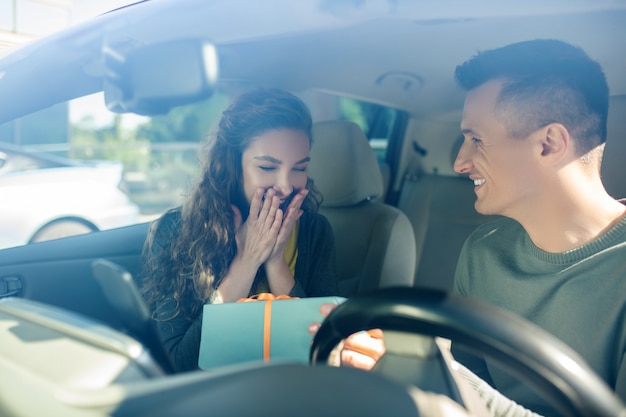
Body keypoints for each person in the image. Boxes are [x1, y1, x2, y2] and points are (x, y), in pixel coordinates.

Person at [450, 39, 626, 416]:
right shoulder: (482, 252)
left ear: (548, 144)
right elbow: (462, 386)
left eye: (477, 140)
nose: (460, 163)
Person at [142, 88, 339, 373]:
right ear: (233, 165)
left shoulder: (315, 231)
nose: (285, 186)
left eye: (299, 168)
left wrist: (274, 262)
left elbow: (323, 353)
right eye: (267, 167)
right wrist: (246, 262)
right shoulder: (177, 230)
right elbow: (176, 365)